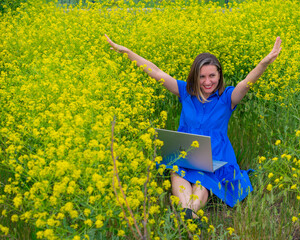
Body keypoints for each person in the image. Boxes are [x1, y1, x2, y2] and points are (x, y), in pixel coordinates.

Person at [105, 34, 282, 219]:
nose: (207, 82)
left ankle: (187, 214)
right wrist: (127, 52)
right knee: (177, 175)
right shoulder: (185, 92)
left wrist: (265, 62)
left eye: (212, 76)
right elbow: (156, 72)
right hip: (186, 154)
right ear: (194, 77)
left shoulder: (227, 98)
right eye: (202, 77)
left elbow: (246, 83)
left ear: (219, 75)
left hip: (216, 158)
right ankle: (189, 215)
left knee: (202, 181)